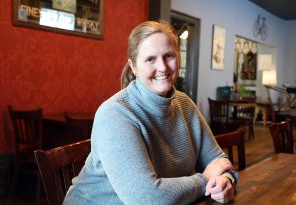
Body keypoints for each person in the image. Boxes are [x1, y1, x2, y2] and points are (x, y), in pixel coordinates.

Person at [63, 20, 237, 205]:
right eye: (150, 59)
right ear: (134, 67)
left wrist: (225, 182)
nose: (162, 67)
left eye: (168, 56)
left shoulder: (185, 104)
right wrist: (204, 180)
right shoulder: (115, 113)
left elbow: (219, 161)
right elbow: (146, 198)